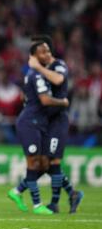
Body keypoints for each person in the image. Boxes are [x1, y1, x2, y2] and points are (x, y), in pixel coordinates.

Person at [8, 39, 70, 215]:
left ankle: (17, 191)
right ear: (34, 57)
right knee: (34, 163)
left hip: (38, 123)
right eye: (42, 52)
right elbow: (45, 100)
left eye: (48, 51)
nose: (47, 55)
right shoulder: (37, 74)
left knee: (43, 164)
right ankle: (37, 205)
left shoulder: (39, 74)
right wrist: (63, 102)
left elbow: (23, 95)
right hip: (30, 123)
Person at [23, 35, 83, 213]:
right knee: (47, 162)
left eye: (43, 49)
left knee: (53, 160)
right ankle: (70, 194)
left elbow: (58, 81)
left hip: (58, 119)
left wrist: (38, 68)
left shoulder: (58, 65)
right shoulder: (43, 69)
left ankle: (56, 202)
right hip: (46, 120)